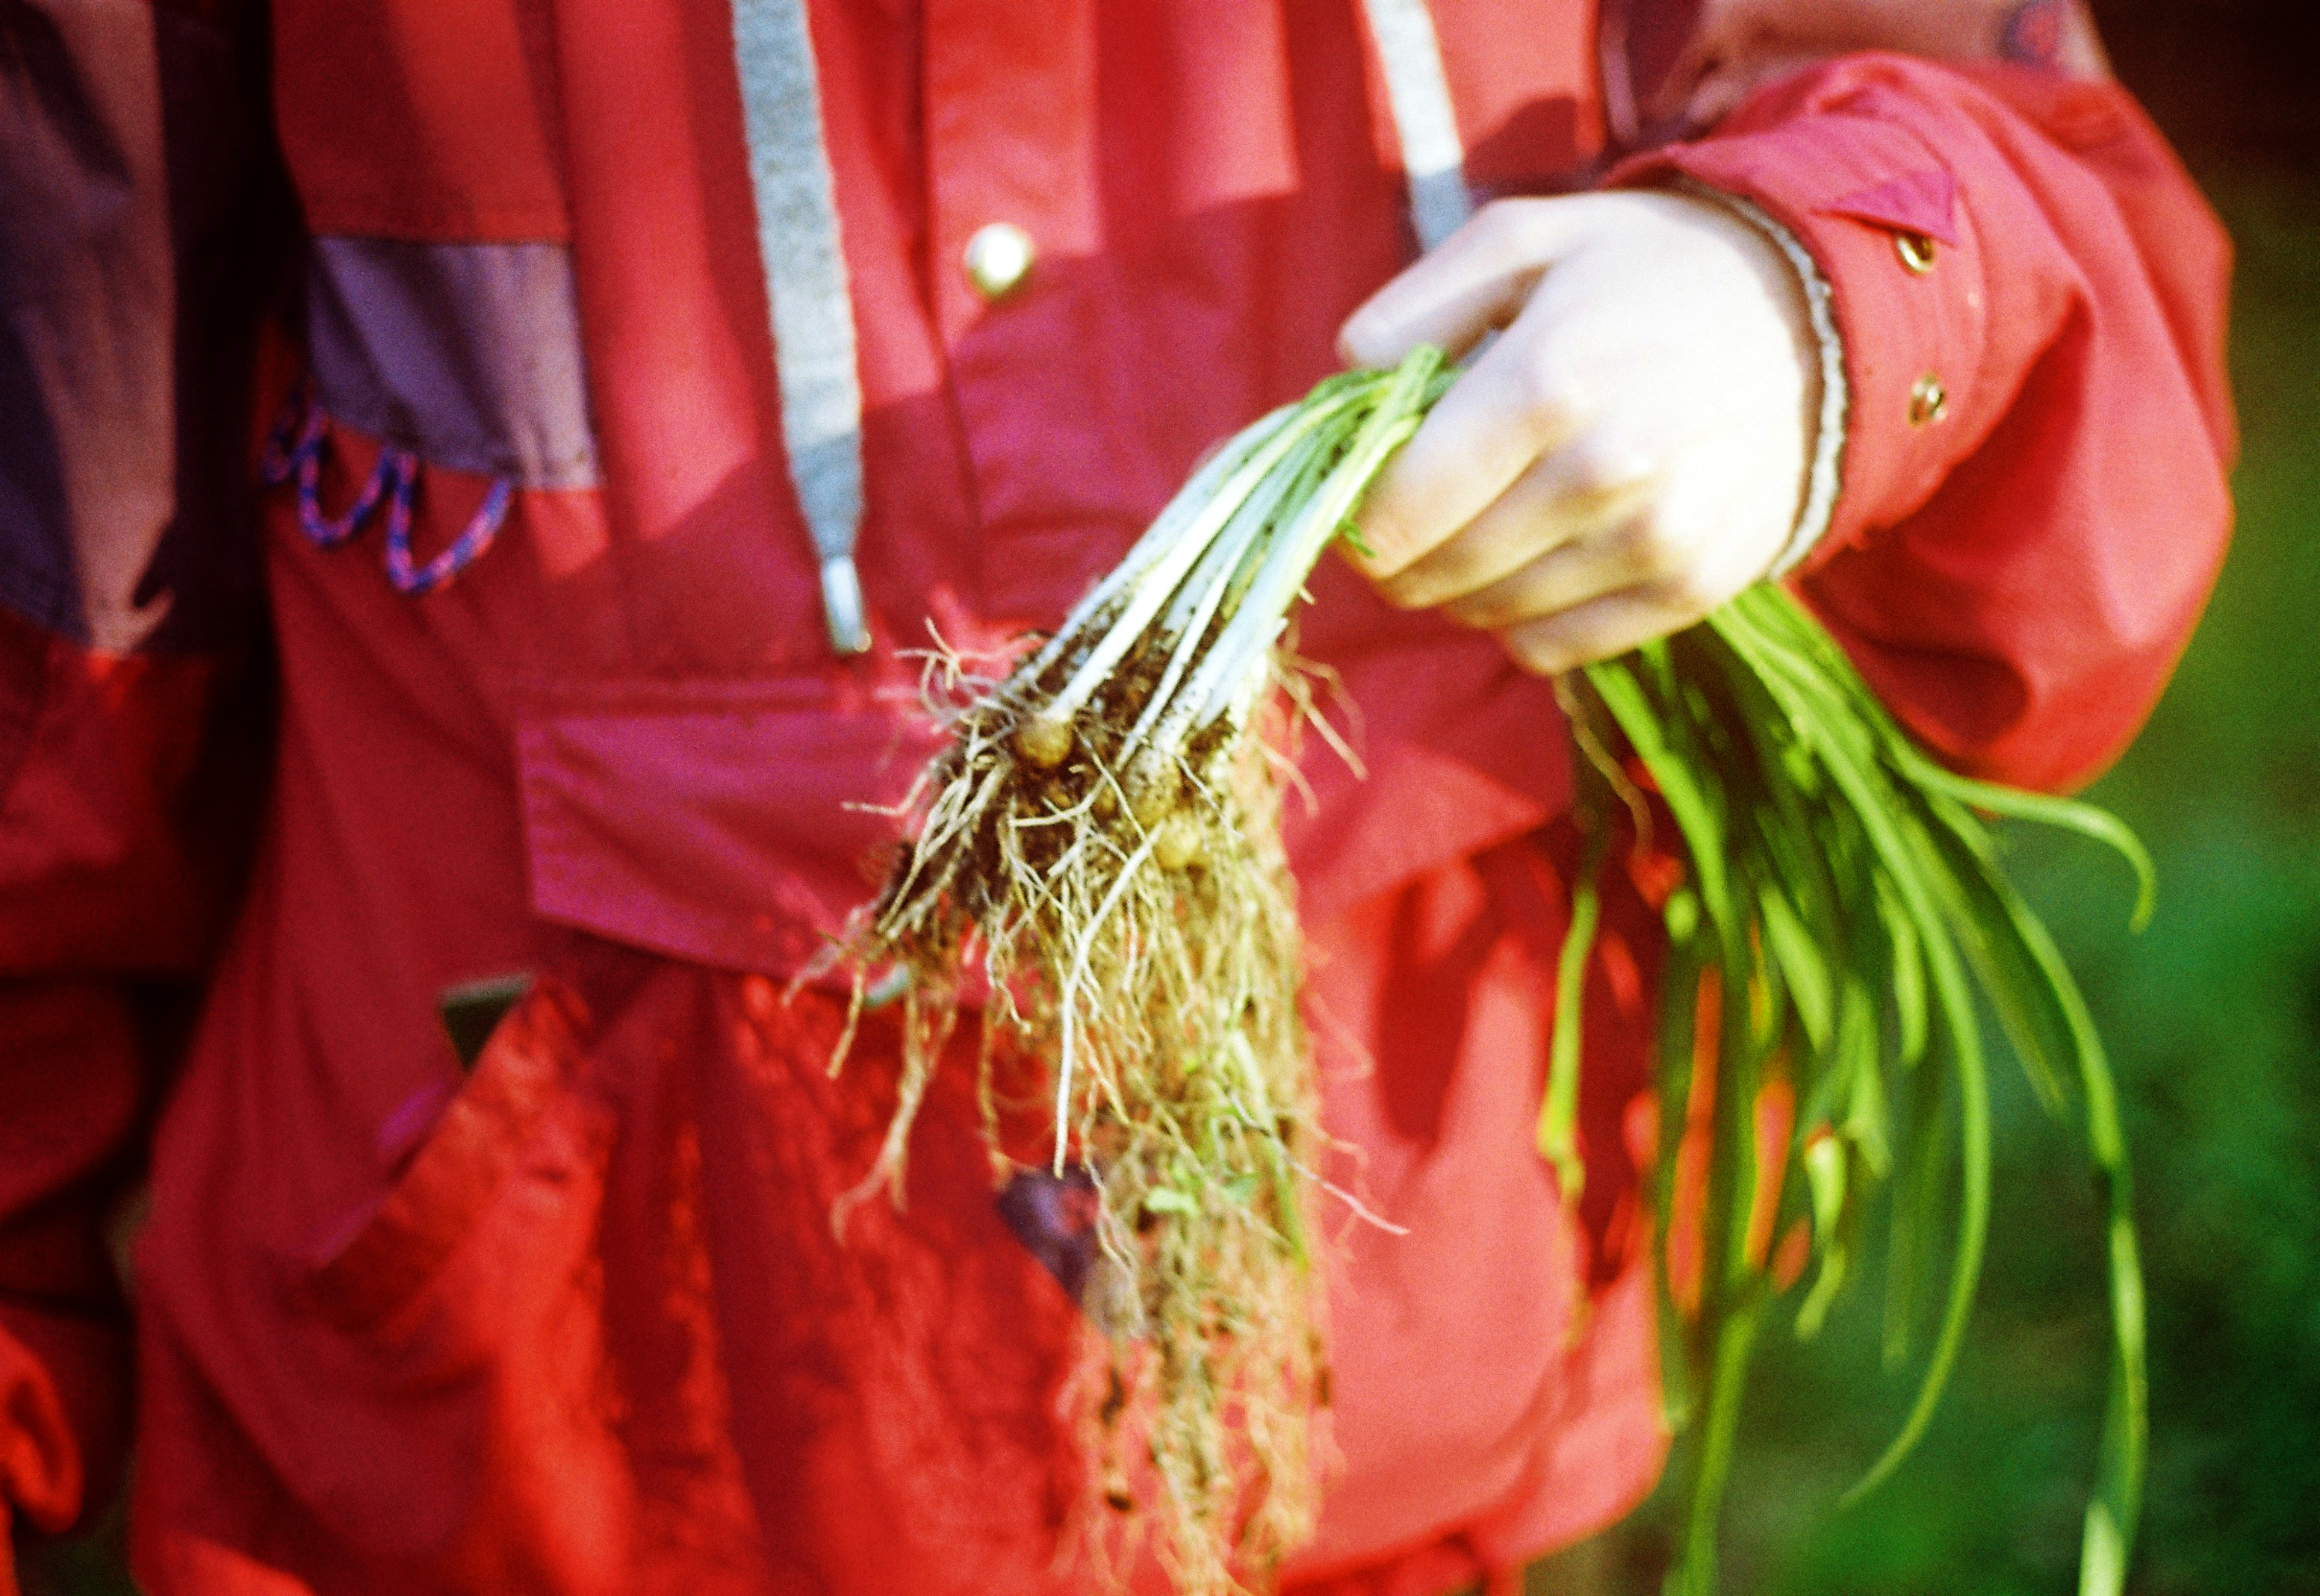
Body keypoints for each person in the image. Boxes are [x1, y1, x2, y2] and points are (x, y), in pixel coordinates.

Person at [0, 0, 2232, 1592]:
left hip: (1384, 1481)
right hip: (492, 1484)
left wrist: (1809, 297)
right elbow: (52, 625)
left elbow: (2060, 261)